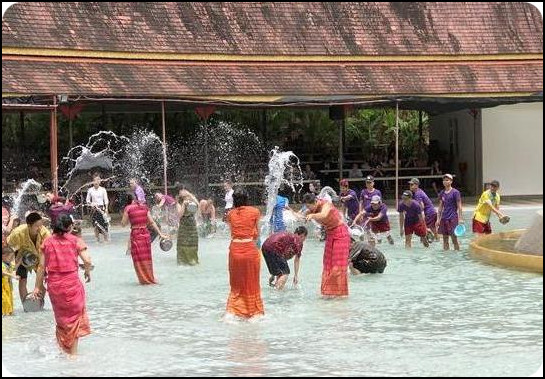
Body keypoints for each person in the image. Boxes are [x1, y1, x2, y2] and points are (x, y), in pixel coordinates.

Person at [35, 214, 92, 356]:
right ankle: (73, 355)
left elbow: (41, 267)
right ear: (69, 227)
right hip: (72, 284)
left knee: (61, 320)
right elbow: (87, 260)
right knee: (73, 320)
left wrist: (37, 286)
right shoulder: (75, 240)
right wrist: (87, 272)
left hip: (54, 286)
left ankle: (62, 352)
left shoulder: (47, 242)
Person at [225, 187, 264, 319]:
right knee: (252, 282)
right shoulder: (255, 212)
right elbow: (257, 234)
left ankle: (232, 311)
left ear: (234, 200)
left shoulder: (230, 214)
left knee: (236, 284)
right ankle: (253, 312)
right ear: (247, 199)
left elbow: (232, 231)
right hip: (249, 249)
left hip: (235, 249)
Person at [303, 192, 350, 298]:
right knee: (327, 265)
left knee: (338, 266)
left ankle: (340, 294)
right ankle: (328, 293)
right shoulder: (311, 209)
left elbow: (324, 215)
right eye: (307, 207)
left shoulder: (326, 205)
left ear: (315, 202)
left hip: (341, 234)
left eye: (309, 206)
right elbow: (301, 216)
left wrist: (312, 215)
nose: (308, 209)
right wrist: (290, 211)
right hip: (330, 234)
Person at [121, 195, 168, 284]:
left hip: (136, 235)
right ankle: (151, 278)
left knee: (138, 259)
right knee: (147, 258)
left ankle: (143, 280)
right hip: (146, 235)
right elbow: (152, 222)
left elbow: (123, 224)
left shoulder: (128, 208)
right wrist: (160, 234)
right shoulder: (145, 207)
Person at [6, 212, 50, 302]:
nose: (40, 228)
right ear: (29, 225)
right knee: (22, 279)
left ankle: (39, 303)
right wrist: (9, 266)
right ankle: (25, 304)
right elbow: (8, 247)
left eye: (41, 225)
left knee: (41, 281)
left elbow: (50, 250)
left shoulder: (45, 232)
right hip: (22, 254)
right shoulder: (18, 232)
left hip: (39, 255)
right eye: (37, 226)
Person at [436, 174, 463, 251]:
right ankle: (446, 258)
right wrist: (438, 219)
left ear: (451, 181)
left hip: (452, 218)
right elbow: (440, 207)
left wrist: (460, 219)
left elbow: (459, 206)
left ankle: (457, 254)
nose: (445, 181)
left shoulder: (455, 192)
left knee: (454, 239)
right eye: (444, 180)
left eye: (447, 180)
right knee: (445, 240)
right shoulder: (442, 193)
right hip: (444, 218)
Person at [176, 186, 200, 266]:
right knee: (183, 243)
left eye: (183, 190)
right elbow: (180, 215)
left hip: (192, 224)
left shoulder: (191, 199)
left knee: (192, 242)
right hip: (183, 224)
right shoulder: (179, 202)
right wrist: (183, 204)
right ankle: (182, 262)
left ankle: (193, 260)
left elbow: (198, 205)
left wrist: (190, 195)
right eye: (181, 191)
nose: (182, 192)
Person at [86, 175, 109, 242]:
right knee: (95, 224)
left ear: (100, 181)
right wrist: (91, 204)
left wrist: (106, 208)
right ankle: (97, 239)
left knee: (104, 224)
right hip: (94, 209)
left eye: (98, 180)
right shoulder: (90, 190)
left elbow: (106, 200)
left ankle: (106, 239)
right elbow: (87, 200)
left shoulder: (103, 189)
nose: (96, 182)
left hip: (101, 208)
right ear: (92, 182)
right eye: (94, 180)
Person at [2, 245, 18, 316]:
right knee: (5, 300)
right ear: (4, 256)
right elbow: (3, 272)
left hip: (8, 287)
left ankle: (9, 313)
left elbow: (15, 267)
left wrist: (21, 258)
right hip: (3, 288)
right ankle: (4, 313)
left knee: (10, 300)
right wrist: (13, 276)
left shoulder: (9, 264)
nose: (12, 259)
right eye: (11, 257)